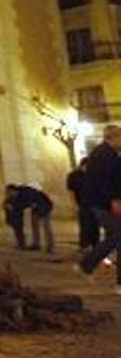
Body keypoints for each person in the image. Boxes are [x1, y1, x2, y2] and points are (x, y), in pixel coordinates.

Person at [75, 125, 121, 293]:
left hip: (103, 203)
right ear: (113, 137)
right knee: (118, 236)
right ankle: (86, 264)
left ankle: (119, 284)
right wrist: (114, 200)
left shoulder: (108, 154)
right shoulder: (104, 154)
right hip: (104, 204)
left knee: (117, 239)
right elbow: (104, 181)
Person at [4, 183, 55, 254]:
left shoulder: (25, 192)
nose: (8, 194)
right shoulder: (17, 197)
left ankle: (50, 246)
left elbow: (25, 204)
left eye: (9, 192)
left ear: (13, 190)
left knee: (46, 225)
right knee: (34, 224)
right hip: (35, 207)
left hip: (45, 205)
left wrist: (13, 207)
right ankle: (36, 244)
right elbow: (19, 208)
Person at [67, 158, 96, 250]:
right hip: (82, 204)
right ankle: (84, 245)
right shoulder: (73, 175)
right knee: (84, 225)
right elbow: (71, 192)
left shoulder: (92, 175)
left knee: (94, 225)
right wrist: (75, 205)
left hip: (94, 204)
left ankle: (95, 244)